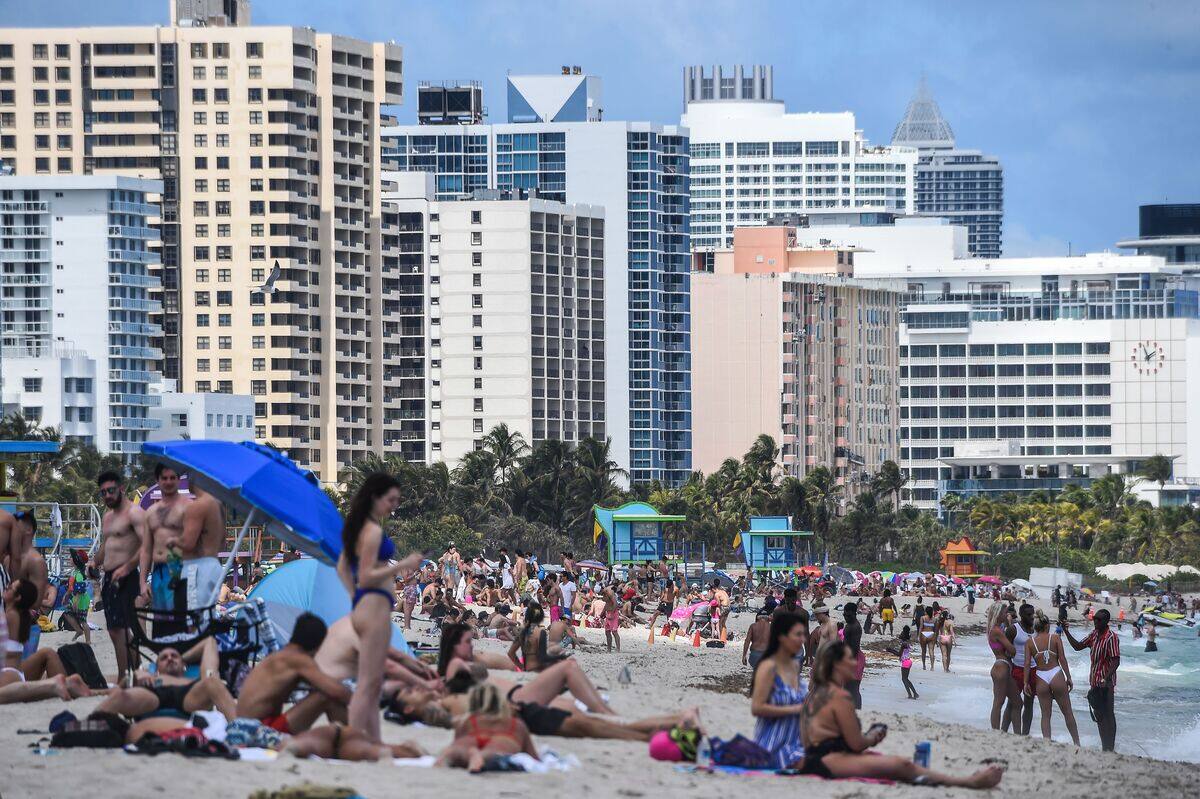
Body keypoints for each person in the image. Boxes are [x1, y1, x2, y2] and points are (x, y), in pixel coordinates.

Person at [797, 640, 1003, 788]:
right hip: (827, 762)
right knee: (901, 765)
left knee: (897, 764)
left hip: (814, 757)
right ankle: (968, 782)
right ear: (837, 664)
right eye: (850, 660)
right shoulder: (839, 696)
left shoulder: (815, 693)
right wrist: (873, 737)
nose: (855, 663)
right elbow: (856, 744)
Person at [335, 473, 422, 743]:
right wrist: (403, 564)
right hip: (372, 608)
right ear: (375, 497)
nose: (394, 505)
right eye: (391, 499)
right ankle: (353, 739)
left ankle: (372, 741)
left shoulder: (359, 527)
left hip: (366, 606)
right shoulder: (371, 531)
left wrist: (355, 599)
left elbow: (342, 569)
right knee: (369, 683)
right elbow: (366, 575)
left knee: (371, 683)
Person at [237, 612, 352, 734]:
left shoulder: (280, 656)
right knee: (327, 697)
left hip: (246, 726)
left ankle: (347, 740)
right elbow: (336, 691)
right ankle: (349, 741)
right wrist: (363, 700)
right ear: (318, 645)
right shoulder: (298, 659)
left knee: (328, 693)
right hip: (258, 731)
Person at [95, 470, 149, 684]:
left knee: (125, 629)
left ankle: (130, 674)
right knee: (114, 629)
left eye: (111, 490)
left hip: (127, 578)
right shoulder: (108, 517)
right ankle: (128, 674)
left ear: (121, 489)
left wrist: (128, 568)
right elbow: (106, 545)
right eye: (103, 493)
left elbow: (148, 545)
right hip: (109, 578)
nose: (107, 496)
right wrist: (94, 562)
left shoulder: (134, 514)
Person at [95, 639, 236, 720]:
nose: (169, 658)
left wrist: (182, 659)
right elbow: (124, 684)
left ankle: (241, 727)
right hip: (153, 693)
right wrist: (137, 676)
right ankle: (90, 723)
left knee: (212, 681)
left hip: (190, 695)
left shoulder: (201, 677)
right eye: (164, 658)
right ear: (156, 667)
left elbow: (209, 642)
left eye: (174, 656)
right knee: (119, 696)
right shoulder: (148, 673)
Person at [314, 616, 442, 695]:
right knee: (401, 684)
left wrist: (421, 668)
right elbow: (389, 665)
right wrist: (424, 683)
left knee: (405, 680)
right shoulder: (356, 630)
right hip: (334, 687)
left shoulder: (350, 622)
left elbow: (396, 655)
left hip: (343, 682)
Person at [749, 612, 808, 769]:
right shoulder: (768, 667)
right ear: (782, 637)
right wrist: (796, 709)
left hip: (797, 743)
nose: (803, 640)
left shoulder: (794, 665)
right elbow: (757, 708)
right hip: (774, 747)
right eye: (798, 635)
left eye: (803, 634)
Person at [436, 682, 538, 772]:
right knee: (494, 752)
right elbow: (534, 758)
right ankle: (480, 756)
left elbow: (457, 740)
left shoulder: (467, 720)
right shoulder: (516, 724)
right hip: (504, 738)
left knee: (455, 751)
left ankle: (446, 758)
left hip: (471, 736)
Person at [1063, 608, 1120, 752]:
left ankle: (1110, 748)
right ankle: (1104, 747)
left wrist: (1105, 678)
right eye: (1095, 618)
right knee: (1099, 715)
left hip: (1106, 684)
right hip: (1094, 682)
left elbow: (1115, 661)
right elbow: (1077, 646)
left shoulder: (1111, 637)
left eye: (1099, 619)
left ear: (1106, 622)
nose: (1095, 621)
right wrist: (1066, 631)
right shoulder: (1094, 635)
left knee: (1108, 714)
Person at [1022, 611, 1080, 746]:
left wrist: (1025, 682)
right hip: (1055, 674)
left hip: (1041, 676)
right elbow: (1062, 659)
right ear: (1047, 625)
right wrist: (1069, 677)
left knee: (1045, 715)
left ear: (1035, 627)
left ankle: (1047, 743)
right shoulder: (1055, 638)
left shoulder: (1030, 643)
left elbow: (1026, 664)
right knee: (1067, 712)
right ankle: (1077, 743)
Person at [142, 463, 191, 620]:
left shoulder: (187, 507)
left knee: (178, 621)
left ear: (178, 480)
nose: (168, 482)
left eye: (172, 478)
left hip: (179, 568)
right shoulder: (151, 512)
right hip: (158, 571)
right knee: (161, 621)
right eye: (164, 478)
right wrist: (143, 582)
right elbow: (146, 549)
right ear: (158, 480)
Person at [177, 483, 225, 610]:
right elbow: (222, 541)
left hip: (197, 569)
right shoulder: (218, 505)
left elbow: (188, 543)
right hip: (213, 564)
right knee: (207, 617)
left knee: (194, 619)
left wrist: (170, 540)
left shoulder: (198, 506)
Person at [986, 603, 1020, 731]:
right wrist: (1009, 624)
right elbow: (1012, 650)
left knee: (1017, 702)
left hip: (1002, 667)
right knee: (998, 703)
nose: (1007, 615)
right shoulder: (997, 631)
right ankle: (996, 731)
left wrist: (1006, 624)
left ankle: (1017, 733)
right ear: (998, 614)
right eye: (1005, 613)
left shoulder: (994, 629)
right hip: (1001, 667)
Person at [508, 603, 568, 672]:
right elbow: (543, 658)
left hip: (527, 668)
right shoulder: (541, 632)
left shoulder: (522, 632)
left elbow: (511, 653)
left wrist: (521, 666)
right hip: (537, 670)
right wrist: (561, 657)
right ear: (541, 617)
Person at [1009, 603, 1036, 734]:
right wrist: (1008, 670)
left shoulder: (1036, 630)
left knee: (1029, 703)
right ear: (1021, 615)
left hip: (1033, 670)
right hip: (1017, 669)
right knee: (1012, 703)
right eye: (1028, 614)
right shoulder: (1014, 629)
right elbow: (1005, 650)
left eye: (1033, 614)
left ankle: (1025, 735)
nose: (1032, 617)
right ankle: (1002, 730)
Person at [61, 549, 92, 644]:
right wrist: (65, 596)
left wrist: (76, 602)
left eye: (71, 557)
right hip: (76, 597)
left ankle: (88, 641)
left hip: (81, 599)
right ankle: (79, 630)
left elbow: (80, 590)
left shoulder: (78, 574)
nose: (69, 559)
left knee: (83, 620)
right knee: (67, 613)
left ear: (76, 561)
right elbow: (71, 588)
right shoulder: (74, 572)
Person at [842, 602, 864, 709]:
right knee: (847, 687)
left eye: (849, 615)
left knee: (853, 688)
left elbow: (854, 649)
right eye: (844, 615)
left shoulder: (855, 627)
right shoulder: (849, 624)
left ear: (855, 614)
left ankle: (857, 711)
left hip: (854, 659)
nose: (846, 617)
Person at [895, 626, 918, 699]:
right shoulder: (906, 643)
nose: (900, 634)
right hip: (908, 661)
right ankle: (914, 693)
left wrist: (890, 650)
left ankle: (910, 694)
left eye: (901, 633)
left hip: (905, 662)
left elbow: (899, 654)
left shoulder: (904, 644)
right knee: (906, 679)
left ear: (903, 636)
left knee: (904, 679)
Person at [916, 605, 938, 670]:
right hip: (931, 634)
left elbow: (920, 627)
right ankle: (932, 667)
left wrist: (918, 636)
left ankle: (924, 666)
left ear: (926, 612)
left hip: (924, 634)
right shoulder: (935, 619)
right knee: (931, 650)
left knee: (923, 651)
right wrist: (936, 639)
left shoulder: (923, 618)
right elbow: (936, 630)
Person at [602, 583, 621, 652]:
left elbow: (615, 604)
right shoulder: (606, 593)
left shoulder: (611, 594)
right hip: (608, 614)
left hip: (613, 614)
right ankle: (609, 649)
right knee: (607, 632)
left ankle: (618, 649)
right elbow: (606, 604)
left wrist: (612, 612)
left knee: (614, 632)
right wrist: (602, 613)